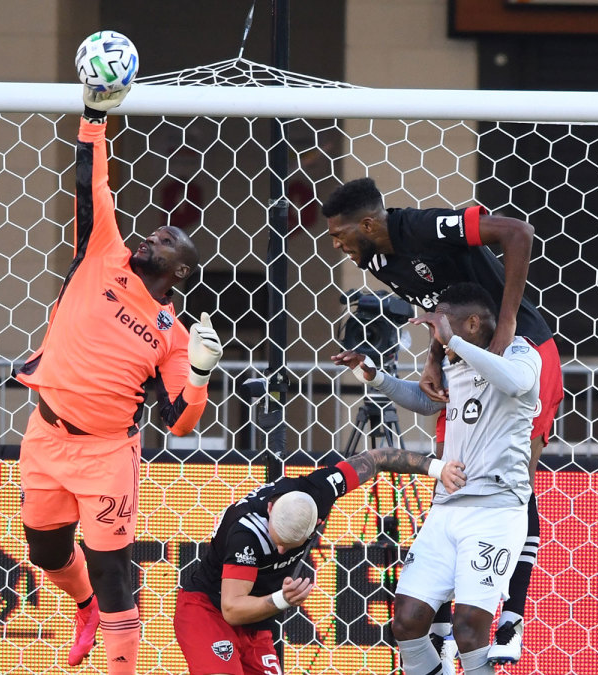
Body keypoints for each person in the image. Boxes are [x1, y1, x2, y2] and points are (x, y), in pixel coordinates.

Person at [12, 83, 223, 675]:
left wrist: (202, 373)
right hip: (46, 434)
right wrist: (94, 117)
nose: (151, 236)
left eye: (166, 239)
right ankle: (83, 609)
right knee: (46, 551)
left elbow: (180, 420)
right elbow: (91, 183)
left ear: (178, 271)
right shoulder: (104, 251)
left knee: (113, 569)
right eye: (153, 232)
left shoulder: (173, 334)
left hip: (108, 453)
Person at [322, 178, 563, 663]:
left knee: (516, 479)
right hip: (462, 356)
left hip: (522, 348)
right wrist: (434, 357)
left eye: (339, 234)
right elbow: (435, 306)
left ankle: (510, 618)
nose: (336, 245)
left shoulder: (423, 227)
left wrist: (510, 322)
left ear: (368, 224)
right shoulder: (375, 259)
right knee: (453, 468)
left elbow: (518, 232)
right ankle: (441, 618)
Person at [334, 283, 541, 675]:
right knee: (407, 622)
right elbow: (429, 400)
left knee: (468, 630)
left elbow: (517, 384)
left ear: (474, 324)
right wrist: (376, 377)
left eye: (443, 329)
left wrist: (455, 345)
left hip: (495, 511)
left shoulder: (521, 352)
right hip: (446, 506)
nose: (438, 341)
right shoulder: (455, 360)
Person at [175, 447, 466, 675]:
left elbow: (377, 458)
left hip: (255, 622)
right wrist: (281, 600)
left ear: (315, 524)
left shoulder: (321, 489)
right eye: (276, 539)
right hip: (208, 610)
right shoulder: (245, 532)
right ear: (271, 508)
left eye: (288, 546)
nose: (279, 549)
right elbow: (231, 609)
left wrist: (438, 469)